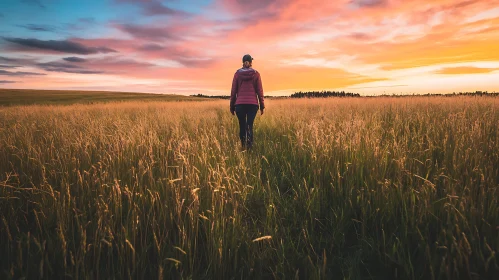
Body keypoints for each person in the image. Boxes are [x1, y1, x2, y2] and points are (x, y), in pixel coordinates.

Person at [230, 54, 265, 150]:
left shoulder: (237, 74)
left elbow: (233, 91)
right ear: (251, 62)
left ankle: (243, 146)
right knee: (249, 125)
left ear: (243, 62)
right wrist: (262, 106)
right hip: (252, 105)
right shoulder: (256, 74)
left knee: (242, 126)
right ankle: (249, 148)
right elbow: (260, 91)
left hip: (240, 105)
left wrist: (232, 106)